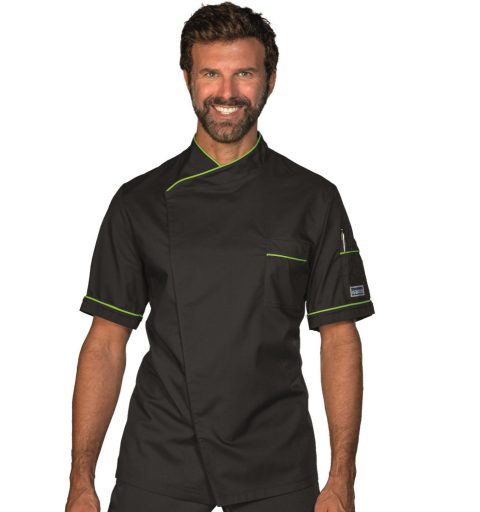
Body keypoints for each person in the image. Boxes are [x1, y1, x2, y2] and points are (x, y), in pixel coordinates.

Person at [65, 3, 375, 512]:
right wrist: (81, 480)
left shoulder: (313, 199)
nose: (227, 93)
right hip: (160, 456)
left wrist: (342, 477)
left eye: (244, 74)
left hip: (276, 458)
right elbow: (105, 343)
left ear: (270, 80)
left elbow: (340, 339)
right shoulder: (138, 202)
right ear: (187, 78)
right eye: (211, 73)